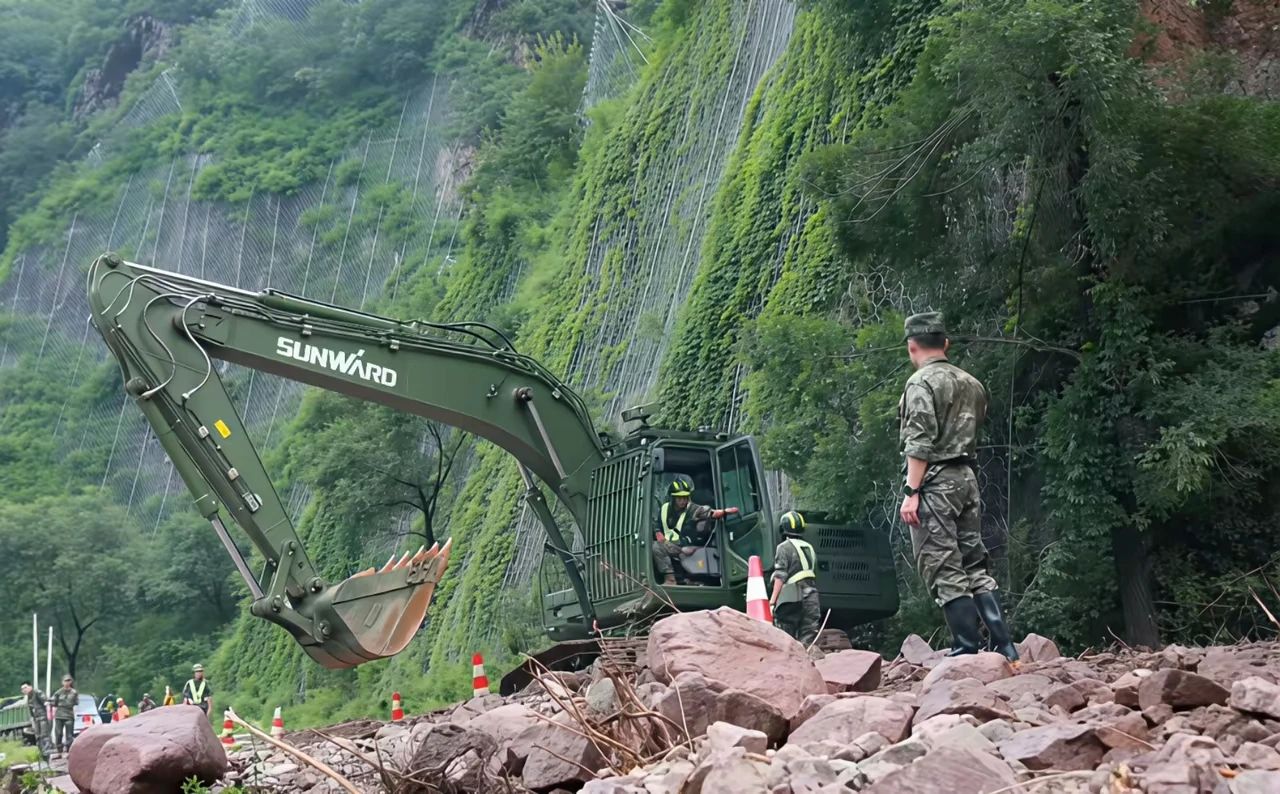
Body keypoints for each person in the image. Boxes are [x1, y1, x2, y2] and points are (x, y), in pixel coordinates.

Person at [898, 311, 1018, 660]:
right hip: (967, 480)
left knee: (942, 564)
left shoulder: (921, 383)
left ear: (912, 346)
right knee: (974, 563)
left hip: (935, 483)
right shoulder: (972, 383)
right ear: (946, 344)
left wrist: (912, 492)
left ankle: (966, 647)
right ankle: (1005, 645)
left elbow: (919, 442)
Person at [651, 478, 737, 586]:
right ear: (672, 498)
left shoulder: (693, 509)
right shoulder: (664, 508)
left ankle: (670, 580)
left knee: (656, 546)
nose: (683, 501)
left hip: (682, 544)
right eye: (679, 498)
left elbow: (709, 512)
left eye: (685, 497)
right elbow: (657, 524)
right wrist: (658, 532)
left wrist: (724, 512)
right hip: (667, 543)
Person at [768, 510, 822, 653]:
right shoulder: (809, 548)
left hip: (792, 595)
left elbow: (780, 576)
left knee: (786, 637)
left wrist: (772, 602)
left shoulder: (783, 547)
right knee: (808, 638)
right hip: (812, 595)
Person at [20, 682, 52, 757]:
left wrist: (46, 703)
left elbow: (45, 700)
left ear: (30, 686)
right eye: (22, 689)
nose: (24, 690)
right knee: (38, 736)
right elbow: (31, 708)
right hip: (36, 718)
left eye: (25, 687)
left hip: (42, 717)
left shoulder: (37, 692)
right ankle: (41, 752)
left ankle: (47, 751)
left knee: (44, 735)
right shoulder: (28, 697)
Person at [50, 675, 78, 756]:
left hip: (69, 715)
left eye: (69, 680)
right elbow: (54, 703)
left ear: (71, 682)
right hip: (59, 715)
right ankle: (59, 751)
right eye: (65, 681)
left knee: (69, 735)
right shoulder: (58, 693)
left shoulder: (74, 692)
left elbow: (76, 702)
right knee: (58, 734)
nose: (67, 682)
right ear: (62, 682)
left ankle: (69, 751)